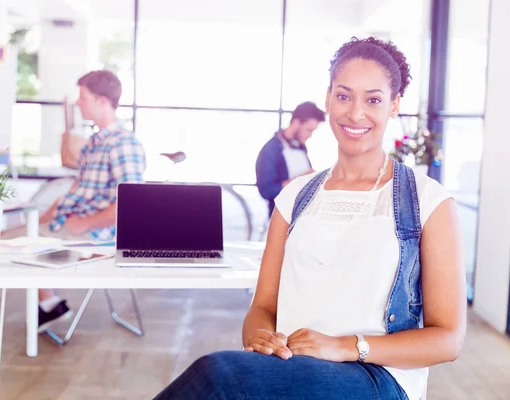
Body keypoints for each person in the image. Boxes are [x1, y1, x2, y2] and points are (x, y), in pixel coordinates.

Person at [154, 37, 466, 400]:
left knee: (220, 376)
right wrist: (260, 338)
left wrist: (347, 346)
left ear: (394, 105)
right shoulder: (296, 196)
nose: (355, 113)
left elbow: (448, 339)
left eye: (374, 99)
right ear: (328, 97)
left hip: (376, 377)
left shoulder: (428, 200)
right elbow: (262, 308)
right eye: (344, 96)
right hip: (290, 368)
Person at [3, 70, 147, 332]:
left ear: (102, 100)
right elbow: (80, 193)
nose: (78, 103)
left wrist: (85, 223)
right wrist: (47, 216)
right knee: (8, 235)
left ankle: (42, 306)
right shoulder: (95, 142)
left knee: (8, 244)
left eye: (83, 98)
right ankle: (49, 306)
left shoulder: (123, 144)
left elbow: (133, 205)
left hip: (92, 233)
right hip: (69, 223)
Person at [255, 102, 326, 216]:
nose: (310, 135)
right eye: (309, 130)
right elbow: (266, 191)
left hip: (305, 214)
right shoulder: (270, 150)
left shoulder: (301, 146)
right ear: (296, 123)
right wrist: (301, 179)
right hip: (284, 217)